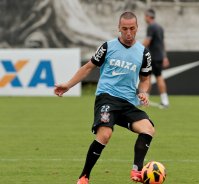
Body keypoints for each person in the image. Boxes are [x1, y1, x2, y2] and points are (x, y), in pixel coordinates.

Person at [54, 12, 155, 184]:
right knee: (105, 133)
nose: (128, 33)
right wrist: (68, 85)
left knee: (148, 129)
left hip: (128, 103)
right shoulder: (108, 47)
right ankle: (84, 176)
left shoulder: (144, 54)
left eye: (132, 28)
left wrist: (144, 92)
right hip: (107, 98)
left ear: (137, 28)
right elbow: (88, 67)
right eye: (124, 29)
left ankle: (136, 171)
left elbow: (145, 79)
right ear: (119, 28)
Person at [143, 8, 170, 108]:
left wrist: (137, 49)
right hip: (159, 57)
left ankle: (145, 99)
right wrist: (165, 56)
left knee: (148, 78)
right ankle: (165, 100)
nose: (144, 18)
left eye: (145, 16)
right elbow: (163, 43)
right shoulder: (160, 27)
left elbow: (147, 41)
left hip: (153, 57)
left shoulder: (151, 27)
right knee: (158, 77)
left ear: (149, 16)